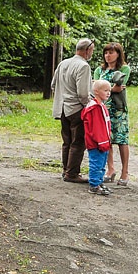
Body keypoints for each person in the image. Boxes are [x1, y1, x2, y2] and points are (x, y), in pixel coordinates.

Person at [51, 38, 94, 183]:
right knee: (78, 142)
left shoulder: (63, 63)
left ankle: (66, 170)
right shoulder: (83, 66)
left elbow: (53, 85)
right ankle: (72, 173)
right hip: (76, 109)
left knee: (67, 141)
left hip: (62, 108)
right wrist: (89, 105)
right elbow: (83, 93)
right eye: (92, 51)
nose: (92, 53)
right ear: (87, 50)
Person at [93, 42, 131, 186]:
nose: (108, 56)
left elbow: (118, 88)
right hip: (103, 108)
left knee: (122, 140)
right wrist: (111, 88)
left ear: (118, 54)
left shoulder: (124, 69)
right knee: (106, 139)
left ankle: (125, 172)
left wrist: (105, 88)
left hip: (119, 109)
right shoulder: (99, 70)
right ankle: (110, 169)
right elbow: (96, 87)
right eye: (106, 53)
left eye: (111, 53)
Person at [81, 80, 113, 196]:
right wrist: (102, 141)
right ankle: (94, 185)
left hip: (103, 142)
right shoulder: (94, 108)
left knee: (102, 163)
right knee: (96, 163)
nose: (108, 93)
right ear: (96, 91)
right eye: (105, 90)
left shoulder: (101, 105)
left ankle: (99, 182)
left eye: (109, 90)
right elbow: (96, 128)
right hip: (97, 143)